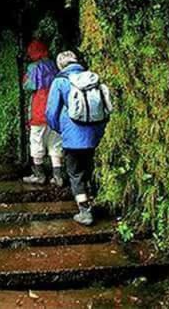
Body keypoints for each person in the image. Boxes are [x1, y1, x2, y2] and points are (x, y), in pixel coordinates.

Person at [46, 50, 107, 225]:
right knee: (88, 168)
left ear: (61, 65)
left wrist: (60, 129)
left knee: (75, 173)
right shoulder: (91, 78)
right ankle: (95, 198)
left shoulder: (60, 81)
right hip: (93, 134)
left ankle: (85, 212)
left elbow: (51, 112)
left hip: (72, 136)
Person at [21, 39, 64, 186]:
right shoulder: (53, 64)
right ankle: (58, 176)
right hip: (55, 108)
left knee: (36, 141)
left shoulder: (34, 67)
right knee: (55, 142)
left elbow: (28, 85)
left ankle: (39, 175)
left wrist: (25, 77)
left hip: (39, 108)